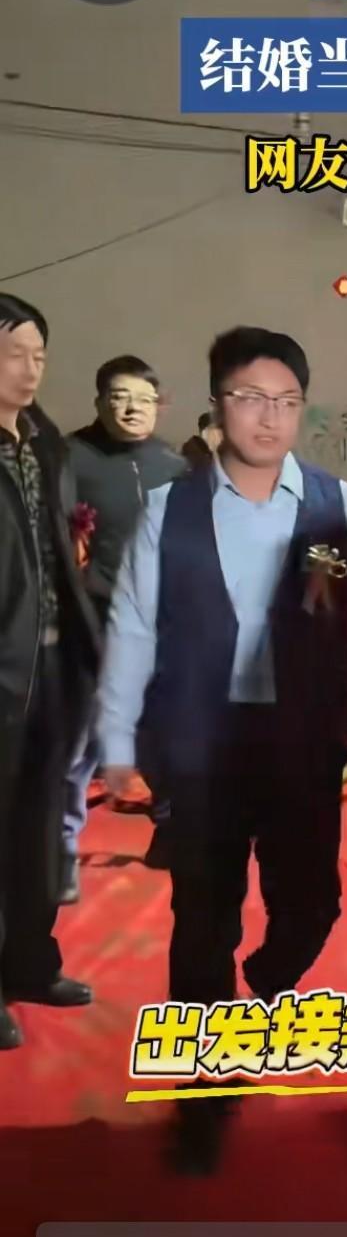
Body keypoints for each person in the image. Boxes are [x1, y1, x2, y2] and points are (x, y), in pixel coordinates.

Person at [97, 325, 347, 1172]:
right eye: (249, 398)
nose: (268, 417)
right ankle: (203, 1095)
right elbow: (132, 627)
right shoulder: (171, 511)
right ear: (217, 405)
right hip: (201, 744)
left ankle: (266, 985)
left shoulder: (337, 507)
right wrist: (118, 737)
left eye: (285, 401)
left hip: (302, 742)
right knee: (202, 920)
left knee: (311, 907)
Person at [0, 294, 98, 1051]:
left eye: (38, 355)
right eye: (13, 355)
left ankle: (31, 964)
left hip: (53, 664)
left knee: (37, 830)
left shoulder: (46, 444)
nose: (29, 370)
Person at [62, 356, 186, 900]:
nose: (132, 409)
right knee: (80, 743)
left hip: (159, 624)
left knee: (165, 735)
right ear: (99, 403)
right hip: (91, 620)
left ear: (159, 406)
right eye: (119, 397)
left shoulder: (172, 465)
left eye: (143, 399)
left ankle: (170, 830)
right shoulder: (69, 459)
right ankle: (59, 853)